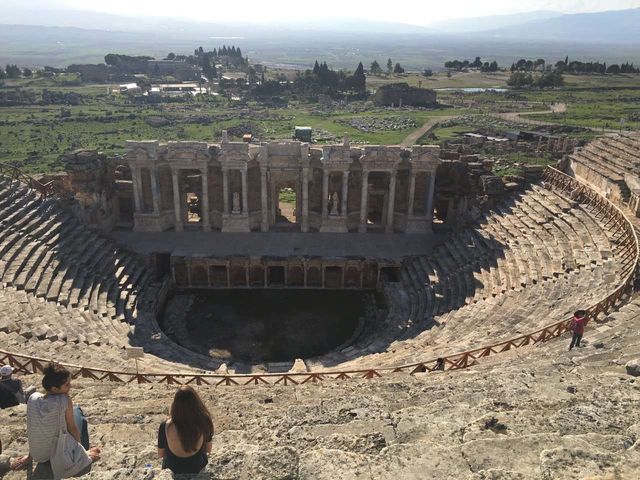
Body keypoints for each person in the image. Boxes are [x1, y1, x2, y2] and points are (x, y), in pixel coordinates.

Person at [10, 363, 100, 476]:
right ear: (54, 388)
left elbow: (33, 429)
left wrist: (30, 457)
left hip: (40, 456)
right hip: (60, 455)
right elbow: (73, 429)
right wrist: (82, 453)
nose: (70, 387)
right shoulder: (65, 400)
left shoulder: (32, 398)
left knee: (72, 412)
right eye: (67, 384)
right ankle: (83, 449)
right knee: (79, 414)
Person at [158, 385, 214, 475]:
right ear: (196, 402)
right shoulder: (205, 422)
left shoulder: (165, 426)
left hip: (173, 471)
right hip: (197, 469)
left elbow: (161, 454)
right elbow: (208, 449)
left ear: (175, 404)